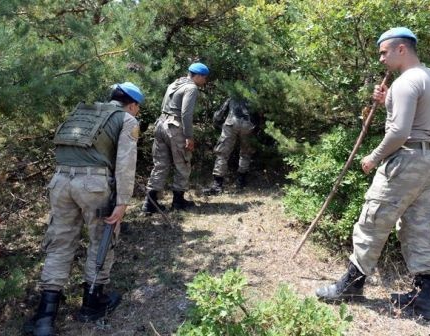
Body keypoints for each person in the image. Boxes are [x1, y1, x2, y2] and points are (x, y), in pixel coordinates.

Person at [315, 27, 430, 321]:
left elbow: (399, 132)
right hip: (429, 159)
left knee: (372, 221)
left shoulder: (404, 83)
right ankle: (424, 296)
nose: (382, 59)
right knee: (417, 225)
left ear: (402, 49)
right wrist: (387, 100)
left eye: (384, 52)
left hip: (405, 161)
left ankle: (351, 285)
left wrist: (374, 157)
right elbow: (416, 116)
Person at [24, 82, 143, 336]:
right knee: (102, 239)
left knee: (60, 241)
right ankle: (92, 303)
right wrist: (122, 201)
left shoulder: (82, 113)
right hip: (93, 185)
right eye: (138, 109)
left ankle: (46, 315)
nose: (137, 113)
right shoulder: (127, 120)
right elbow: (124, 164)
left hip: (60, 182)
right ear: (132, 104)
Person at [142, 62, 209, 213]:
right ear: (197, 76)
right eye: (204, 78)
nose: (205, 81)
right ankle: (178, 202)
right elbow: (186, 114)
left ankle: (149, 203)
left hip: (160, 124)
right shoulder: (191, 88)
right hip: (175, 128)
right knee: (183, 163)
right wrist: (189, 137)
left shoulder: (174, 83)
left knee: (160, 164)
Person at [203, 96, 258, 195]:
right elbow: (260, 115)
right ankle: (241, 183)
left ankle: (217, 186)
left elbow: (219, 114)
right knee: (246, 153)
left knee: (222, 154)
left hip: (231, 124)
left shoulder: (232, 95)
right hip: (248, 125)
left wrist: (218, 125)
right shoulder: (254, 95)